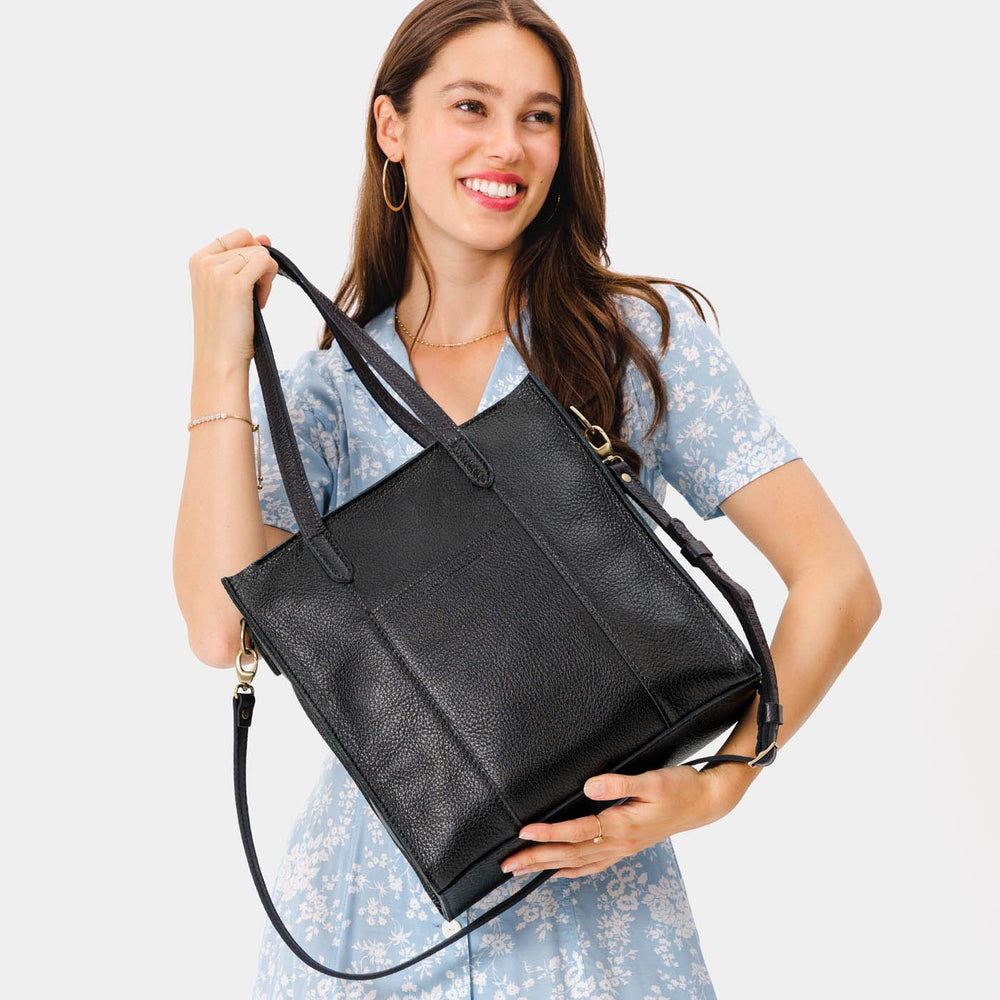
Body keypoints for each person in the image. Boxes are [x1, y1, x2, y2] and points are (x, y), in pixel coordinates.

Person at [174, 2, 882, 996]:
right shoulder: (327, 395)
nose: (507, 145)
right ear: (392, 127)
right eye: (471, 106)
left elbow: (838, 581)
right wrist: (220, 360)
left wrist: (717, 785)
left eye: (539, 116)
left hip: (596, 925)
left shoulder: (632, 343)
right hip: (370, 920)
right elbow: (221, 630)